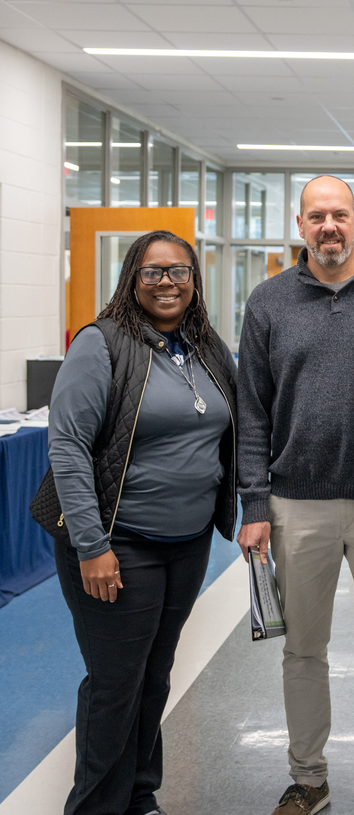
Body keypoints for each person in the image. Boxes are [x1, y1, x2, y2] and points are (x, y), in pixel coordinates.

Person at [235, 175, 354, 815]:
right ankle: (308, 778)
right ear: (300, 225)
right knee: (302, 648)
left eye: (339, 215)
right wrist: (256, 506)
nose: (329, 226)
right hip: (297, 505)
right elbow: (252, 413)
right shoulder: (267, 303)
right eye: (317, 216)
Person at [45, 230, 236, 815]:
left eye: (178, 271)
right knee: (114, 683)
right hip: (117, 543)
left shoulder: (206, 345)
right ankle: (96, 805)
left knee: (154, 676)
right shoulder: (102, 344)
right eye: (152, 273)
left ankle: (138, 795)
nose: (167, 283)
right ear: (132, 279)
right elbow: (68, 445)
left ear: (194, 280)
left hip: (187, 543)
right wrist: (90, 544)